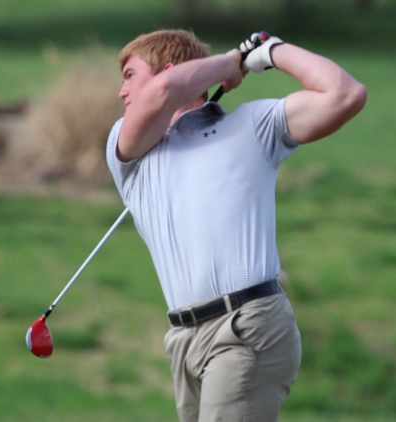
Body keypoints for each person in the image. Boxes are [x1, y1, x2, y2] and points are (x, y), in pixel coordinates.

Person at [106, 29, 367, 422]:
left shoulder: (253, 125)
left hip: (247, 327)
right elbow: (162, 93)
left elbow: (346, 94)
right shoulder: (127, 148)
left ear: (173, 70)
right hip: (183, 341)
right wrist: (229, 64)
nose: (122, 92)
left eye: (129, 76)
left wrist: (272, 52)